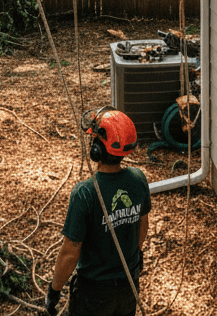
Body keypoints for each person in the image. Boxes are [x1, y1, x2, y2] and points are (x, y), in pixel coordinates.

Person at [45, 108, 151, 316]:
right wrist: (136, 254)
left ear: (97, 150)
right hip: (128, 286)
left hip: (93, 294)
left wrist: (54, 290)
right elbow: (143, 225)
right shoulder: (138, 179)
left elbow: (70, 252)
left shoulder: (85, 193)